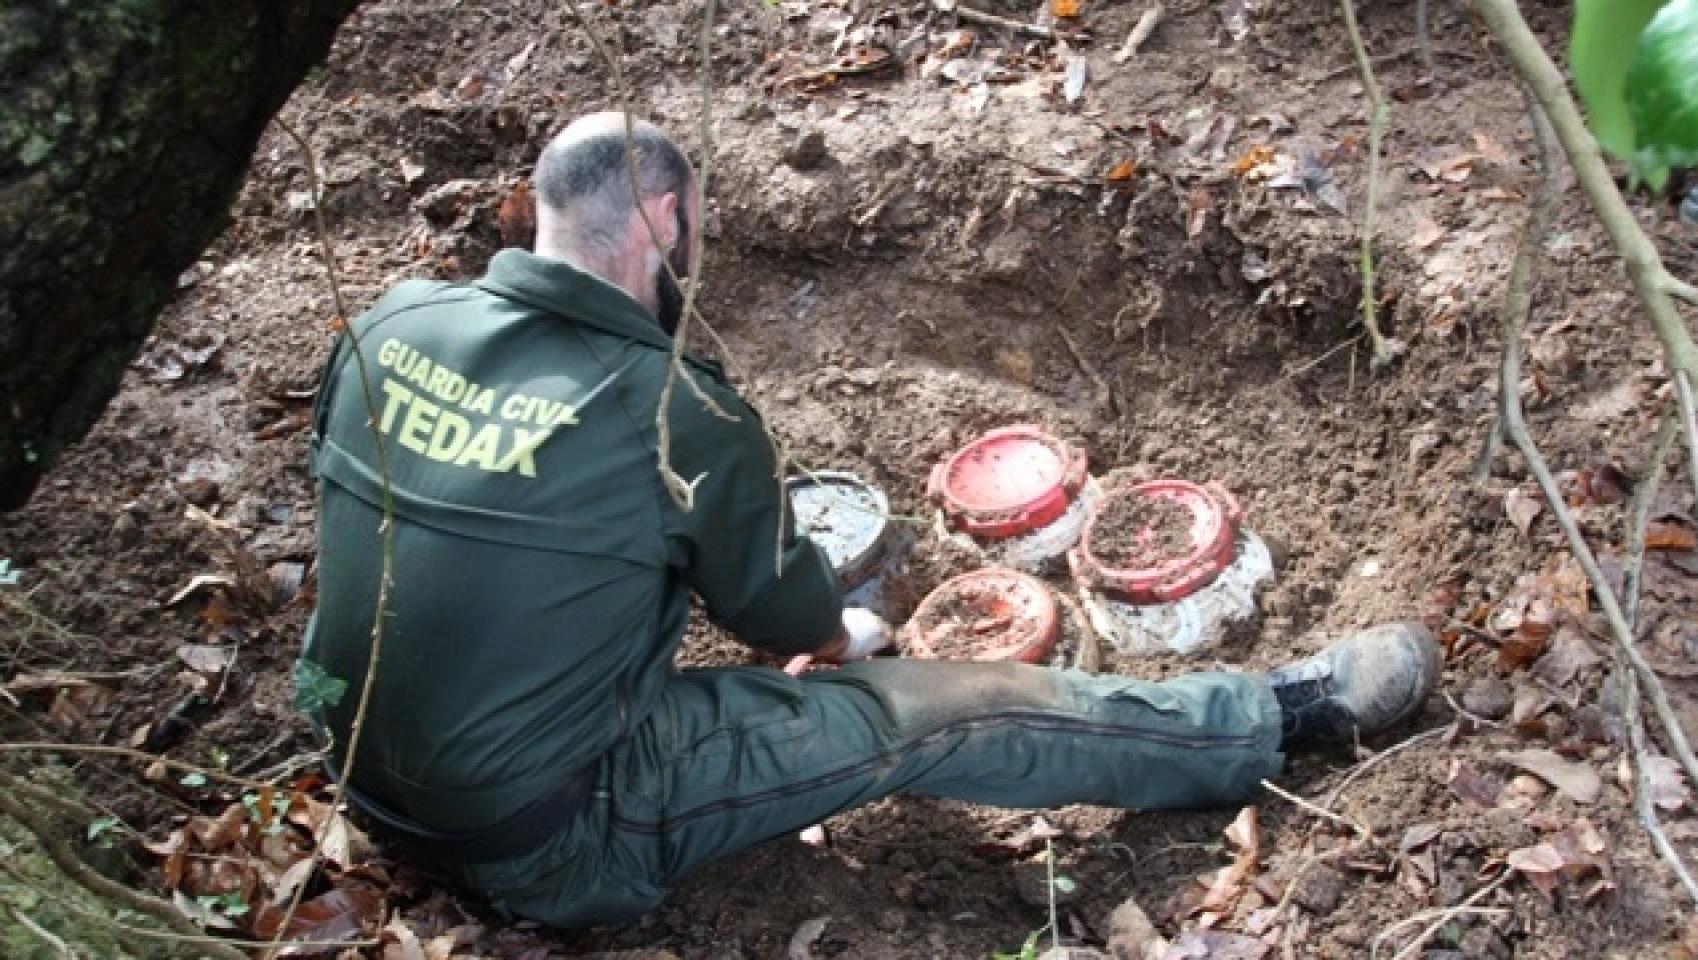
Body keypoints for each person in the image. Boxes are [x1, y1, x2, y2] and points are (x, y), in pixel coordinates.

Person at [301, 112, 1442, 929]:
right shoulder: (669, 410)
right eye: (696, 226)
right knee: (931, 715)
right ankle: (1267, 717)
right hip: (551, 837)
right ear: (664, 218)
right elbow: (785, 620)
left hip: (373, 789)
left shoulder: (388, 326)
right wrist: (843, 637)